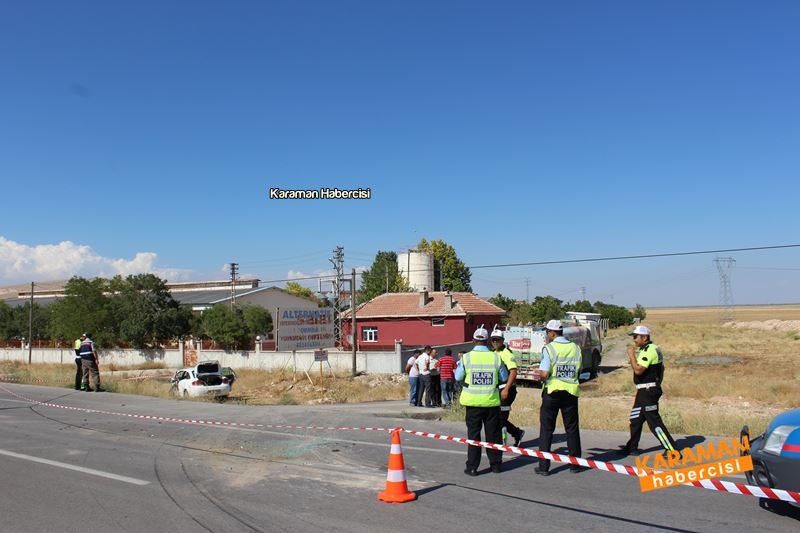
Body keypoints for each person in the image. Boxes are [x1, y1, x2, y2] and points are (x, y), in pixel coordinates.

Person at [618, 325, 679, 456]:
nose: (634, 340)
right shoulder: (653, 348)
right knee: (635, 420)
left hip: (648, 391)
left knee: (654, 423)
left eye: (636, 337)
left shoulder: (649, 350)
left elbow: (638, 370)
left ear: (644, 337)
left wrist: (631, 356)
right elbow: (662, 369)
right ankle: (632, 447)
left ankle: (672, 451)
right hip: (644, 391)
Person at [455, 326, 507, 476]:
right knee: (493, 435)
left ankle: (472, 467)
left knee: (473, 436)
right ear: (487, 341)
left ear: (473, 340)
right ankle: (496, 465)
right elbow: (503, 377)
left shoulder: (466, 358)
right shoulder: (496, 357)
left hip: (473, 403)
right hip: (491, 402)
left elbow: (458, 377)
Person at [535, 320, 583, 475]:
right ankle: (575, 464)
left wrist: (539, 375)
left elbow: (544, 373)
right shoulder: (576, 348)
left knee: (547, 429)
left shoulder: (549, 349)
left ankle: (544, 466)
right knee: (572, 428)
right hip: (570, 392)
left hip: (553, 391)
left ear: (552, 333)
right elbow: (579, 369)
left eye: (547, 332)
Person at [490, 329, 524, 447]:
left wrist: (506, 389)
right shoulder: (493, 352)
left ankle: (502, 443)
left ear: (502, 340)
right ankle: (516, 433)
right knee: (497, 417)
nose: (495, 342)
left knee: (502, 417)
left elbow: (513, 372)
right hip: (497, 389)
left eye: (497, 340)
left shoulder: (506, 353)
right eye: (493, 340)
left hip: (506, 390)